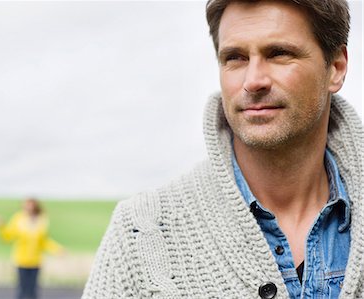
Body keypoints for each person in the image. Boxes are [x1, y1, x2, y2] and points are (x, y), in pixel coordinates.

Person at [82, 0, 364, 298]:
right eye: (235, 58)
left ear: (336, 67)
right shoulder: (141, 233)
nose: (253, 81)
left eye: (279, 53)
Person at [0, 198, 64, 299]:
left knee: (33, 291)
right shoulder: (18, 219)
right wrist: (1, 226)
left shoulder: (42, 220)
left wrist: (57, 249)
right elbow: (7, 237)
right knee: (22, 290)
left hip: (36, 260)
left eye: (30, 205)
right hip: (21, 260)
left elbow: (44, 241)